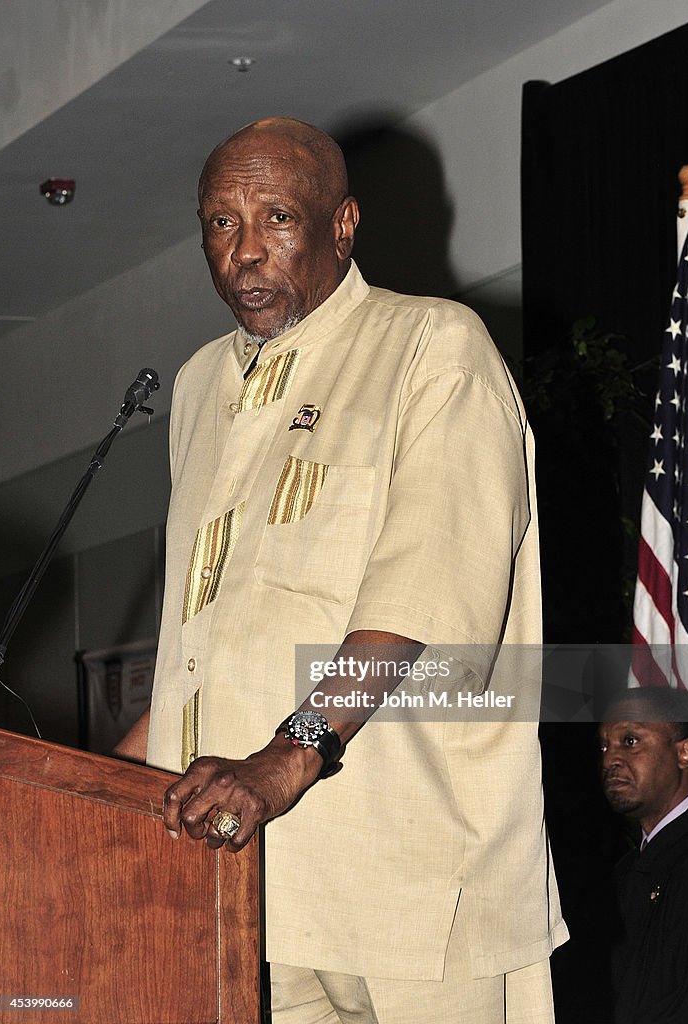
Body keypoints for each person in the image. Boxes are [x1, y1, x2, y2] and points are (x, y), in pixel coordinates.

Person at [115, 117, 567, 1023]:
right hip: (242, 879)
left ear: (343, 224)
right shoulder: (202, 385)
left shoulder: (433, 346)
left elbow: (429, 593)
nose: (244, 253)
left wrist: (287, 760)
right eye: (219, 223)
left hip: (408, 875)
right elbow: (214, 637)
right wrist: (101, 775)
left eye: (275, 218)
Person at [599, 686, 688, 1024]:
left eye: (630, 741)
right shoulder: (628, 870)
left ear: (684, 753)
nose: (609, 760)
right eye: (604, 746)